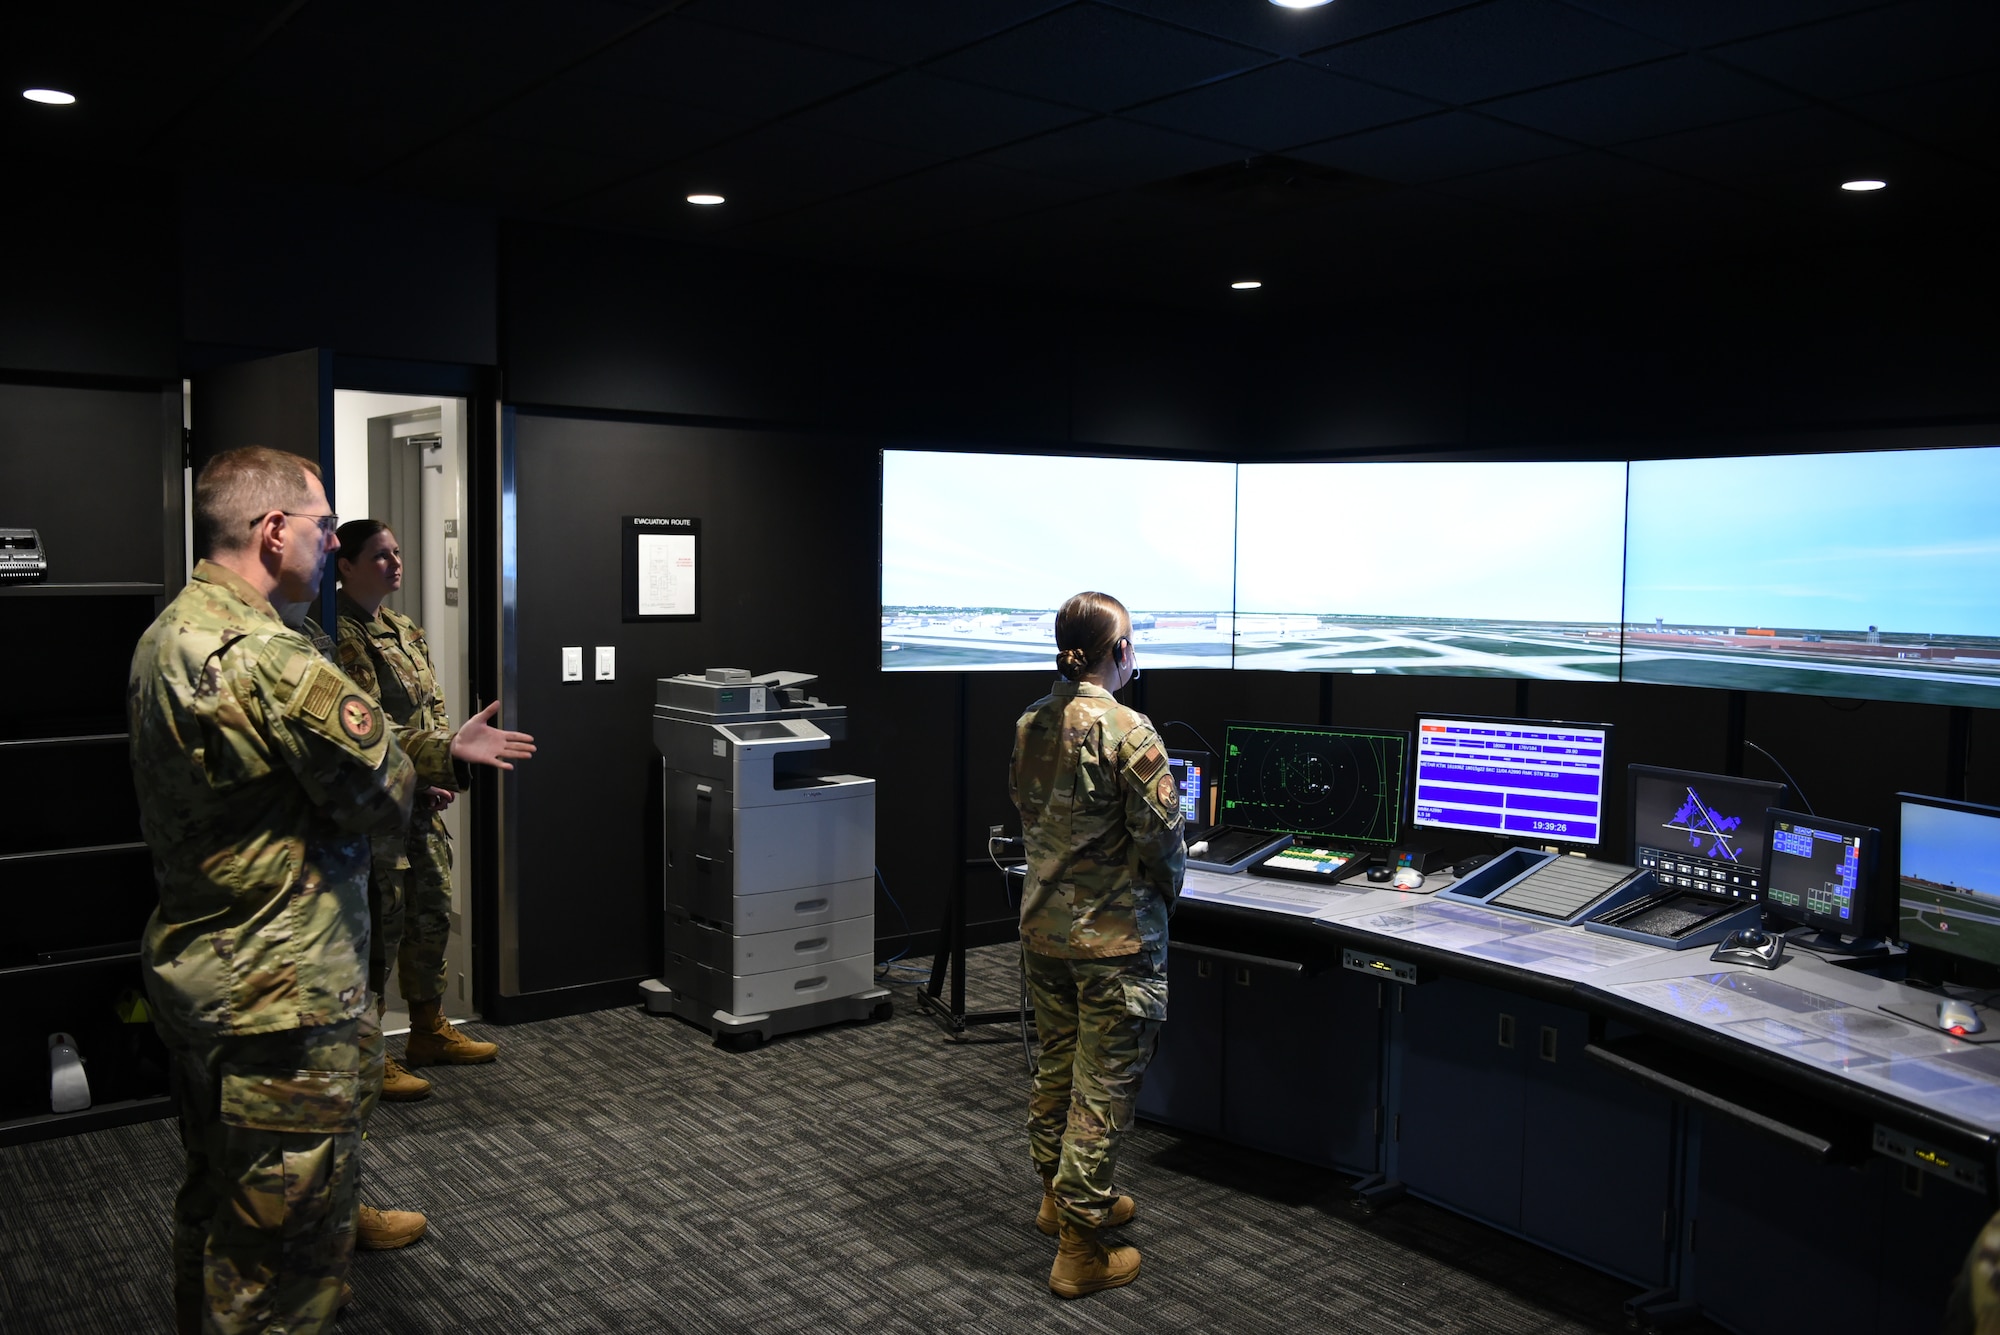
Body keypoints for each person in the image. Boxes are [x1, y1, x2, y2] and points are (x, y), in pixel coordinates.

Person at [129, 446, 535, 1335]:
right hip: (285, 992)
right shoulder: (275, 657)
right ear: (273, 531)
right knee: (287, 1256)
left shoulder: (170, 634)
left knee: (219, 1206)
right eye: (321, 526)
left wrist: (426, 754)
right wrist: (420, 766)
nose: (327, 541)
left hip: (205, 968)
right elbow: (378, 789)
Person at [1009, 590, 1185, 1299]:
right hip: (1114, 944)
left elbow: (1026, 812)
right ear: (1119, 652)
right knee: (1101, 1094)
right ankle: (1080, 1249)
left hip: (1044, 931)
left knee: (1056, 1071)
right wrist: (1160, 900)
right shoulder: (1128, 729)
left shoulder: (1031, 722)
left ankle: (1060, 1198)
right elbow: (1162, 844)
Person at [332, 519, 495, 1099]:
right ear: (345, 565)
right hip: (375, 810)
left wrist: (442, 768)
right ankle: (368, 1056)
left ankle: (427, 1030)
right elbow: (367, 725)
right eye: (380, 555)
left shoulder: (402, 629)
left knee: (430, 915)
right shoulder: (335, 634)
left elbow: (432, 710)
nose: (394, 563)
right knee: (378, 929)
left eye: (397, 552)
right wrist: (431, 765)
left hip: (420, 804)